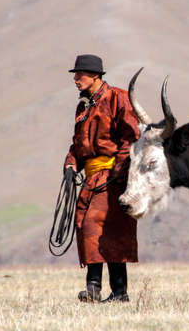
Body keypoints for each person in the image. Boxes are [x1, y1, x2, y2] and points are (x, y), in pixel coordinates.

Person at [63, 54, 140, 303]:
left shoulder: (117, 97)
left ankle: (115, 292)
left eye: (80, 75)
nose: (76, 79)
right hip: (91, 178)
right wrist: (71, 164)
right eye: (75, 75)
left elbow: (130, 137)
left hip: (112, 177)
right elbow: (78, 143)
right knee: (87, 228)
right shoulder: (84, 106)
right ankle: (99, 289)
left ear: (95, 76)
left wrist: (118, 172)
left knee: (105, 231)